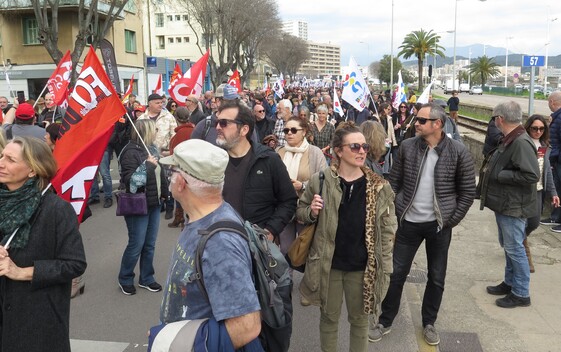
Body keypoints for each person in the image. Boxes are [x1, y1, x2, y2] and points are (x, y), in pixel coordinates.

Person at [370, 103, 475, 346]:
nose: (416, 123)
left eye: (421, 120)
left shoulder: (458, 151)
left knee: (437, 276)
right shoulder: (408, 147)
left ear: (437, 124)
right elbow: (393, 181)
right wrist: (397, 209)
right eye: (417, 119)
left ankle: (429, 322)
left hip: (439, 226)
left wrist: (450, 220)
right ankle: (385, 320)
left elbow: (468, 192)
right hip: (409, 223)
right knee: (396, 274)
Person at [297, 122, 396, 352]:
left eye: (364, 146)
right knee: (329, 319)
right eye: (355, 146)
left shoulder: (380, 187)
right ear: (338, 151)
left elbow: (388, 233)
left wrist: (386, 268)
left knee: (360, 321)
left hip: (363, 268)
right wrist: (311, 211)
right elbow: (300, 212)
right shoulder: (320, 181)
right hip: (328, 265)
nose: (362, 151)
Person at [158, 139, 262, 349]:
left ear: (181, 183)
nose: (168, 177)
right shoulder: (200, 217)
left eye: (171, 171)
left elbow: (247, 326)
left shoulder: (221, 243)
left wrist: (175, 344)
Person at [0, 136, 87, 352]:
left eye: (10, 159)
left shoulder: (56, 210)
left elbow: (74, 263)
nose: (1, 163)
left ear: (32, 170)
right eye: (2, 156)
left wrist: (23, 272)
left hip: (37, 324)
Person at [479, 101, 540, 309]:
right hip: (506, 203)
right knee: (509, 247)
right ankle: (510, 282)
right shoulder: (513, 138)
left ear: (500, 119)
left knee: (515, 248)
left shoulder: (521, 142)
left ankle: (521, 293)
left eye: (495, 118)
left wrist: (501, 174)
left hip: (514, 206)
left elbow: (532, 175)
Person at [216, 99, 298, 245]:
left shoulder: (268, 159)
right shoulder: (214, 161)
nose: (217, 127)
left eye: (224, 123)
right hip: (221, 246)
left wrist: (270, 231)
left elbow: (288, 201)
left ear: (244, 130)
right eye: (216, 122)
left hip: (257, 248)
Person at [117, 119, 168, 296]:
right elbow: (132, 183)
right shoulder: (130, 152)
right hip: (137, 204)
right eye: (155, 129)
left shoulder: (151, 148)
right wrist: (147, 165)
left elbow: (160, 174)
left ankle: (146, 278)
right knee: (136, 244)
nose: (157, 131)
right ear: (145, 131)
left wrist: (165, 194)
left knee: (149, 244)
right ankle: (125, 278)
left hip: (153, 202)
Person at [277, 116, 327, 254]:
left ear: (304, 132)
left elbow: (324, 180)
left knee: (305, 250)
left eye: (293, 130)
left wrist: (303, 186)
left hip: (306, 209)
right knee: (286, 250)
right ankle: (287, 276)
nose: (289, 134)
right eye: (286, 130)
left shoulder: (315, 152)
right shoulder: (278, 152)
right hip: (283, 209)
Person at [524, 115, 559, 273]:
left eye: (541, 129)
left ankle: (514, 241)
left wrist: (553, 192)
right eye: (534, 128)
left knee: (534, 222)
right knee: (521, 224)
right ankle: (526, 257)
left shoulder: (544, 146)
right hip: (523, 191)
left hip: (538, 191)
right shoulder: (523, 144)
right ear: (528, 128)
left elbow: (547, 172)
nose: (538, 131)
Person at [138, 93, 176, 219]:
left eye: (161, 103)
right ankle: (159, 204)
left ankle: (169, 206)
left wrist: (170, 151)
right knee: (153, 181)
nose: (160, 105)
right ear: (150, 104)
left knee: (167, 181)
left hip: (164, 154)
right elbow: (138, 137)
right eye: (157, 103)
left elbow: (174, 135)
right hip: (148, 156)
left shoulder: (168, 117)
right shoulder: (142, 118)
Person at [167, 106, 194, 229]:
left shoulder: (179, 134)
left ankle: (182, 217)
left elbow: (174, 154)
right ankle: (182, 217)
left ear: (176, 118)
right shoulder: (195, 130)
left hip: (181, 168)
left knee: (179, 193)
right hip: (194, 168)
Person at [544, 91, 561, 232]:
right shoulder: (556, 117)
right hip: (556, 159)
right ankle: (555, 217)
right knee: (557, 189)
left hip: (558, 159)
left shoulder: (560, 118)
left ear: (552, 102)